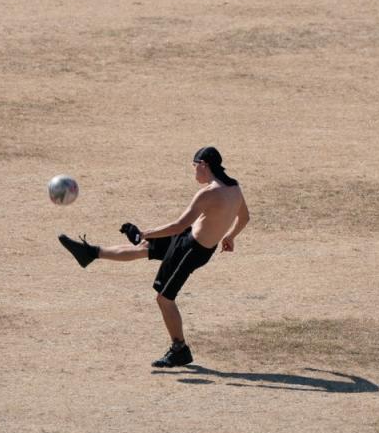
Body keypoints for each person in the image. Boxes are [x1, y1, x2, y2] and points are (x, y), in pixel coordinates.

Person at [57, 146, 250, 368]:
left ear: (204, 165)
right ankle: (90, 253)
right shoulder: (234, 188)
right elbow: (244, 217)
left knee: (164, 299)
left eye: (194, 167)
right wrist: (230, 236)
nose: (194, 171)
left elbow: (178, 225)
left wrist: (142, 233)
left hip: (191, 250)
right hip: (190, 239)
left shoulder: (208, 193)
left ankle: (180, 349)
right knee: (145, 248)